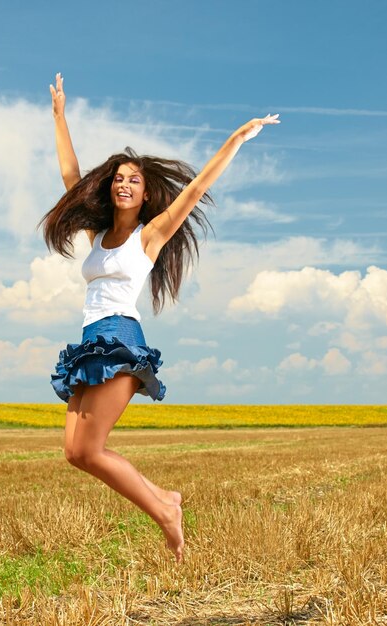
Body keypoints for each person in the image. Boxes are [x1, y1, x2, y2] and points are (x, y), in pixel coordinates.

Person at [40, 72, 280, 563]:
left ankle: (167, 513)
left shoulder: (149, 236)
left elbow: (194, 191)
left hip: (119, 341)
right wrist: (60, 117)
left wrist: (236, 139)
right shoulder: (98, 235)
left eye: (134, 180)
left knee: (89, 450)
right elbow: (71, 176)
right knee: (75, 453)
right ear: (110, 189)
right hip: (89, 341)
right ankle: (165, 500)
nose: (124, 184)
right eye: (119, 179)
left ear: (146, 194)